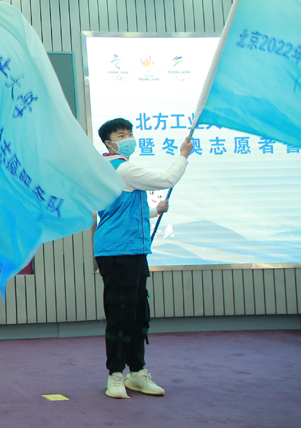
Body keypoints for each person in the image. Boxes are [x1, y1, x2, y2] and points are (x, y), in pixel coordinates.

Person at [93, 118, 192, 399]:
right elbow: (166, 179)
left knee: (138, 313)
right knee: (121, 313)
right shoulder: (122, 168)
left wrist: (155, 210)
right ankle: (115, 375)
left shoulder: (109, 168)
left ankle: (137, 373)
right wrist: (183, 156)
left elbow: (119, 210)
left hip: (132, 249)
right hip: (118, 251)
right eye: (121, 135)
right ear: (109, 143)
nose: (129, 138)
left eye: (130, 133)